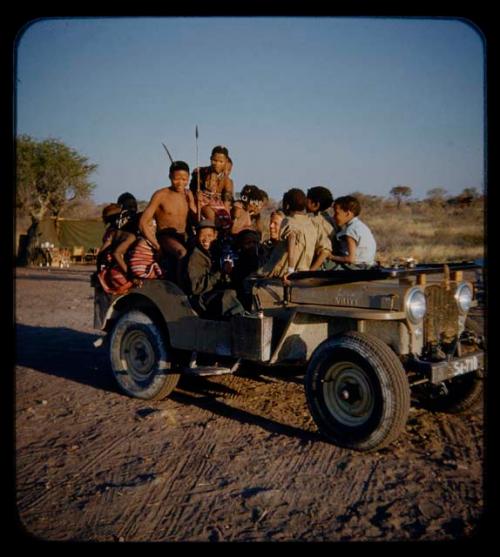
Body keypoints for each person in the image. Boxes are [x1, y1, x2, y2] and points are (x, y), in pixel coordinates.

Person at [139, 160, 197, 283]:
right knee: (182, 252)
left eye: (184, 179)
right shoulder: (161, 195)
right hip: (166, 236)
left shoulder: (188, 194)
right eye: (177, 179)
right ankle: (179, 289)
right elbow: (143, 222)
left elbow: (195, 219)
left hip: (184, 236)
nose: (181, 183)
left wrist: (193, 202)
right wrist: (157, 246)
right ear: (170, 176)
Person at [256, 188, 330, 281]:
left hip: (280, 274)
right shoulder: (314, 224)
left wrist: (290, 270)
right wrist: (310, 272)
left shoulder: (289, 221)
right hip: (302, 274)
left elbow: (292, 238)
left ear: (287, 206)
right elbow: (325, 251)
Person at [183, 219, 245, 319]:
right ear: (197, 236)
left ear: (215, 236)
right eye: (202, 235)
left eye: (209, 236)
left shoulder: (216, 251)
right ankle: (242, 322)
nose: (205, 239)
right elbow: (196, 288)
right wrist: (220, 272)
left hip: (215, 293)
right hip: (202, 298)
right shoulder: (195, 257)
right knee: (227, 296)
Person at [325, 195, 377, 269]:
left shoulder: (351, 231)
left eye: (336, 213)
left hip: (357, 267)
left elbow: (350, 259)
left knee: (324, 263)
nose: (333, 217)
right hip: (368, 264)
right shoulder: (360, 226)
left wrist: (331, 257)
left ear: (347, 214)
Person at [189, 145, 234, 229]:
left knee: (226, 220)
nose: (217, 164)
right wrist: (197, 196)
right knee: (211, 216)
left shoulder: (227, 181)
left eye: (221, 162)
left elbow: (227, 203)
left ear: (226, 161)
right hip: (201, 204)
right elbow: (191, 191)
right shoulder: (199, 172)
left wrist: (227, 216)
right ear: (210, 158)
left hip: (219, 206)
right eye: (214, 160)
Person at [306, 186, 336, 270]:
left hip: (320, 266)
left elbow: (325, 250)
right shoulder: (330, 220)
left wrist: (311, 272)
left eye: (307, 199)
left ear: (315, 204)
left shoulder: (315, 222)